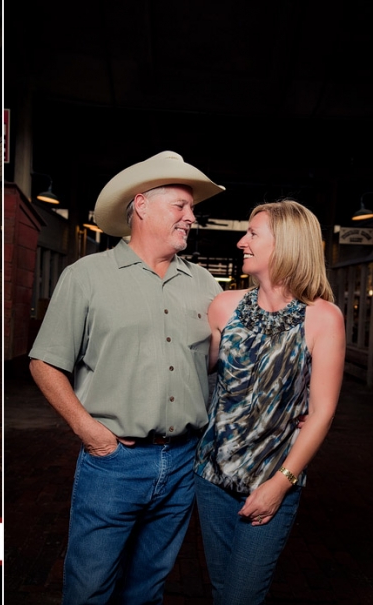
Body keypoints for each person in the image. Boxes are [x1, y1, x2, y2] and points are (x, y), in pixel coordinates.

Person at [29, 151, 225, 604]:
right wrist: (90, 432)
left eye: (191, 209)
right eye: (181, 206)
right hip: (114, 461)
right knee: (90, 590)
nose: (191, 218)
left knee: (147, 590)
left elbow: (218, 364)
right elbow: (44, 362)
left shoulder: (205, 285)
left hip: (182, 462)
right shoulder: (87, 276)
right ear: (141, 205)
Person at [194, 200, 345, 604]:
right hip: (210, 477)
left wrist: (281, 484)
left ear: (287, 245)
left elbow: (323, 411)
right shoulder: (224, 306)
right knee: (223, 591)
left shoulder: (323, 317)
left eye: (253, 233)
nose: (242, 241)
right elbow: (192, 374)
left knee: (242, 595)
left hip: (273, 479)